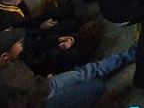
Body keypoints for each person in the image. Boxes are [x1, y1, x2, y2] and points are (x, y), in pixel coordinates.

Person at [0, 28, 136, 108]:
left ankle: (131, 55)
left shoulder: (12, 61)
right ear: (5, 55)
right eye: (18, 43)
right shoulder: (6, 80)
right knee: (96, 87)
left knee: (86, 72)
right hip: (42, 101)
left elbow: (35, 48)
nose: (21, 45)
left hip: (43, 85)